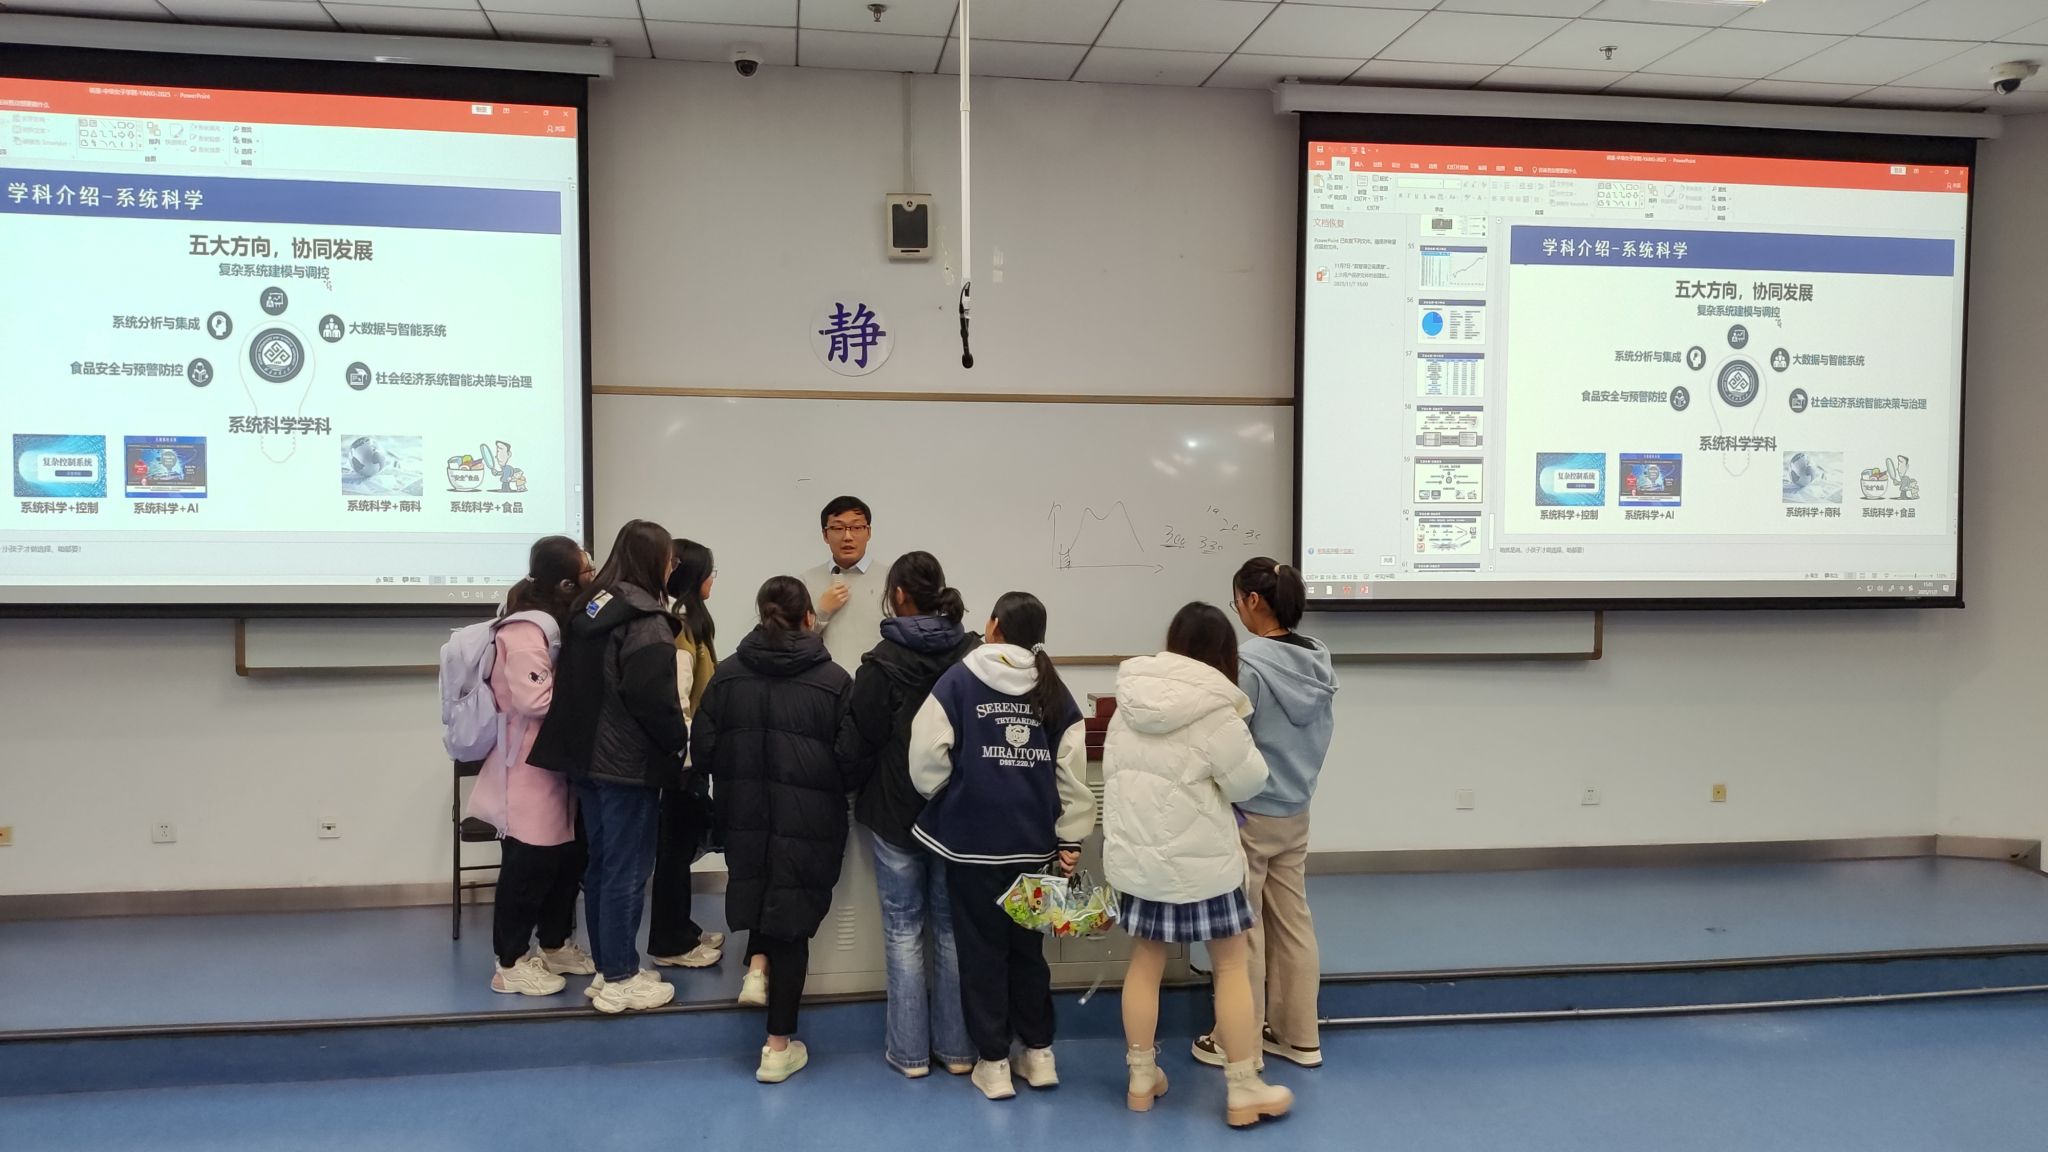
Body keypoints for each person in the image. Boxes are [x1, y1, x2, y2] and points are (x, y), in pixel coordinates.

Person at [1103, 603, 1292, 1128]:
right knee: (1230, 966)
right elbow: (1249, 781)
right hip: (1204, 862)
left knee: (1145, 962)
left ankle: (1141, 1077)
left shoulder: (1126, 705)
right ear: (1223, 654)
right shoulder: (1215, 712)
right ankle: (1243, 1088)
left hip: (1141, 864)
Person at [909, 591, 1094, 1102]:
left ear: (993, 626)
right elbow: (1072, 775)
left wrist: (952, 796)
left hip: (972, 848)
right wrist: (1070, 836)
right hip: (1033, 847)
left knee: (982, 953)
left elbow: (926, 758)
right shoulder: (1054, 688)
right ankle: (1039, 1054)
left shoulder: (958, 680)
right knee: (1028, 953)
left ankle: (993, 1063)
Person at [692, 577, 853, 1084]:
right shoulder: (834, 681)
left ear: (761, 614)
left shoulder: (727, 675)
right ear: (810, 617)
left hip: (743, 812)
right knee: (792, 922)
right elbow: (851, 758)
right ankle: (777, 1047)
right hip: (811, 819)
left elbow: (704, 747)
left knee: (761, 887)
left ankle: (756, 967)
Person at [528, 520, 690, 1014]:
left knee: (602, 865)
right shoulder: (646, 621)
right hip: (627, 765)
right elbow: (653, 700)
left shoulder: (589, 607)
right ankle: (621, 977)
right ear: (656, 563)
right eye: (670, 561)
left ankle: (608, 968)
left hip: (585, 761)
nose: (672, 569)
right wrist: (677, 745)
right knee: (627, 870)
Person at [836, 552, 981, 1079]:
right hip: (956, 814)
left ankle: (910, 1054)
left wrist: (845, 785)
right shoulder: (973, 656)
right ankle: (959, 1050)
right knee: (950, 930)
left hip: (896, 809)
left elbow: (860, 740)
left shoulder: (881, 663)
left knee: (902, 929)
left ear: (897, 594)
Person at [1192, 559, 1337, 1071]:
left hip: (1249, 814)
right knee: (1294, 922)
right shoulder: (1318, 663)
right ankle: (1299, 1036)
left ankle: (1238, 1042)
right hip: (1295, 809)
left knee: (1243, 929)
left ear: (1254, 600)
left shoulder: (1248, 666)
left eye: (1236, 600)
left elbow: (1228, 741)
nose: (1236, 609)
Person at [472, 536, 597, 995]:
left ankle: (554, 943)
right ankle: (509, 962)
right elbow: (534, 700)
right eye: (586, 572)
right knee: (528, 866)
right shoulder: (524, 630)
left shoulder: (554, 624)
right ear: (565, 583)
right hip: (527, 766)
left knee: (565, 859)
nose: (592, 577)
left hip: (557, 763)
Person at [648, 539, 726, 970]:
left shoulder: (693, 622)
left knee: (681, 848)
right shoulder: (679, 625)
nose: (714, 578)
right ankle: (669, 944)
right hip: (682, 759)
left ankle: (684, 928)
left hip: (693, 754)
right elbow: (677, 700)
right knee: (674, 853)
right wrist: (689, 755)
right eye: (711, 570)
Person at [801, 496, 887, 672]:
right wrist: (822, 612)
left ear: (869, 532)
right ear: (825, 535)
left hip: (876, 682)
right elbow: (793, 641)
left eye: (856, 527)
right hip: (823, 683)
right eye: (838, 528)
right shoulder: (806, 581)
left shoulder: (891, 579)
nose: (848, 537)